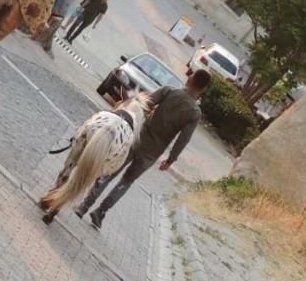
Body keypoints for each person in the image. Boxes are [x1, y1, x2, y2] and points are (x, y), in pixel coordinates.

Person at [76, 69, 211, 228]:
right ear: (203, 89)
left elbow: (143, 103)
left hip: (136, 137)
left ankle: (84, 206)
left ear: (190, 79)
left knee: (110, 171)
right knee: (126, 182)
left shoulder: (169, 90)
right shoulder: (194, 113)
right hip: (152, 152)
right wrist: (171, 159)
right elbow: (183, 139)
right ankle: (100, 213)